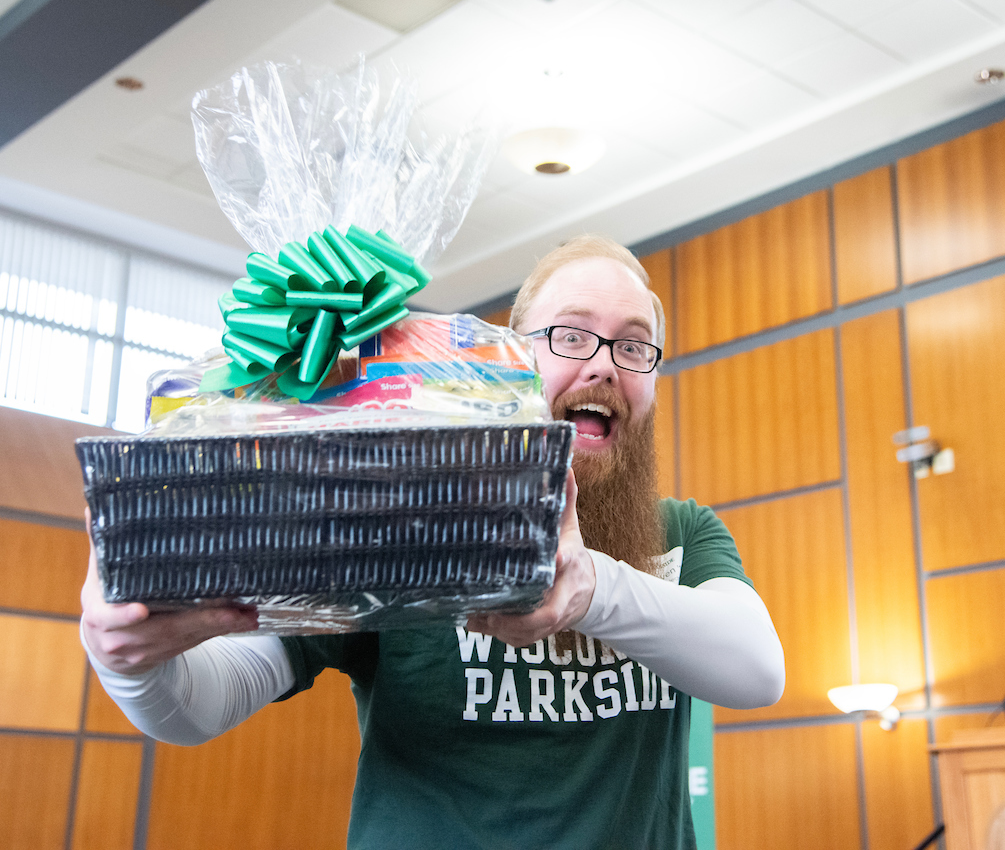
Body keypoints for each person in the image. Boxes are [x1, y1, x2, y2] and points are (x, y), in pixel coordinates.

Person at [80, 234, 786, 849]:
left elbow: (757, 670)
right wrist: (128, 662)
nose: (604, 364)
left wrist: (590, 587)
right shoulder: (403, 524)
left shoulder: (682, 533)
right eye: (570, 336)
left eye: (633, 345)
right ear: (514, 362)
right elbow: (202, 702)